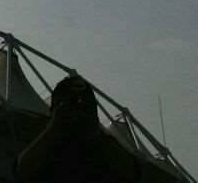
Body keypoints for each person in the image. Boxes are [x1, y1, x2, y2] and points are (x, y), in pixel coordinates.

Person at [14, 75, 142, 182]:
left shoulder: (107, 148)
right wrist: (56, 126)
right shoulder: (42, 144)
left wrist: (93, 133)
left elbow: (134, 172)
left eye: (85, 107)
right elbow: (22, 170)